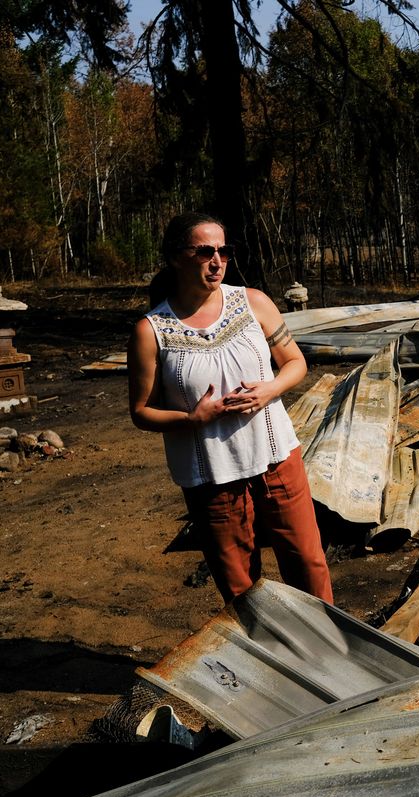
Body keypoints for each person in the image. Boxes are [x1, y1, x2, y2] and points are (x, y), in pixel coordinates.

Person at [128, 212, 334, 604]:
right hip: (211, 474)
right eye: (204, 251)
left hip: (276, 457)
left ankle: (331, 654)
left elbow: (296, 363)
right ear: (176, 257)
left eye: (224, 250)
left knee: (308, 563)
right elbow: (141, 411)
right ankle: (265, 660)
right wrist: (191, 419)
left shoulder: (252, 302)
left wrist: (269, 390)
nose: (217, 260)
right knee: (240, 584)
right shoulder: (151, 331)